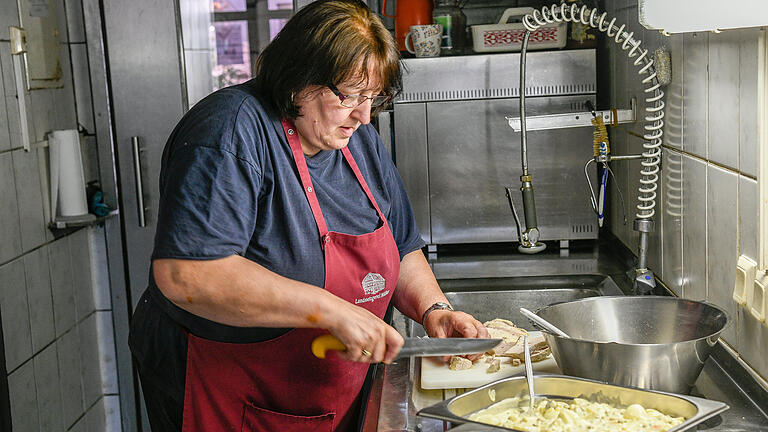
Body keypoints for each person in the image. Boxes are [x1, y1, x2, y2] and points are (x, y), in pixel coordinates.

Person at [128, 1, 490, 431]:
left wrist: (434, 310)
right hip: (231, 389)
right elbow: (189, 275)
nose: (363, 114)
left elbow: (401, 245)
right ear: (298, 78)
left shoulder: (360, 142)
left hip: (324, 394)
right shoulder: (229, 132)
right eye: (349, 95)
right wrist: (331, 311)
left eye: (373, 97)